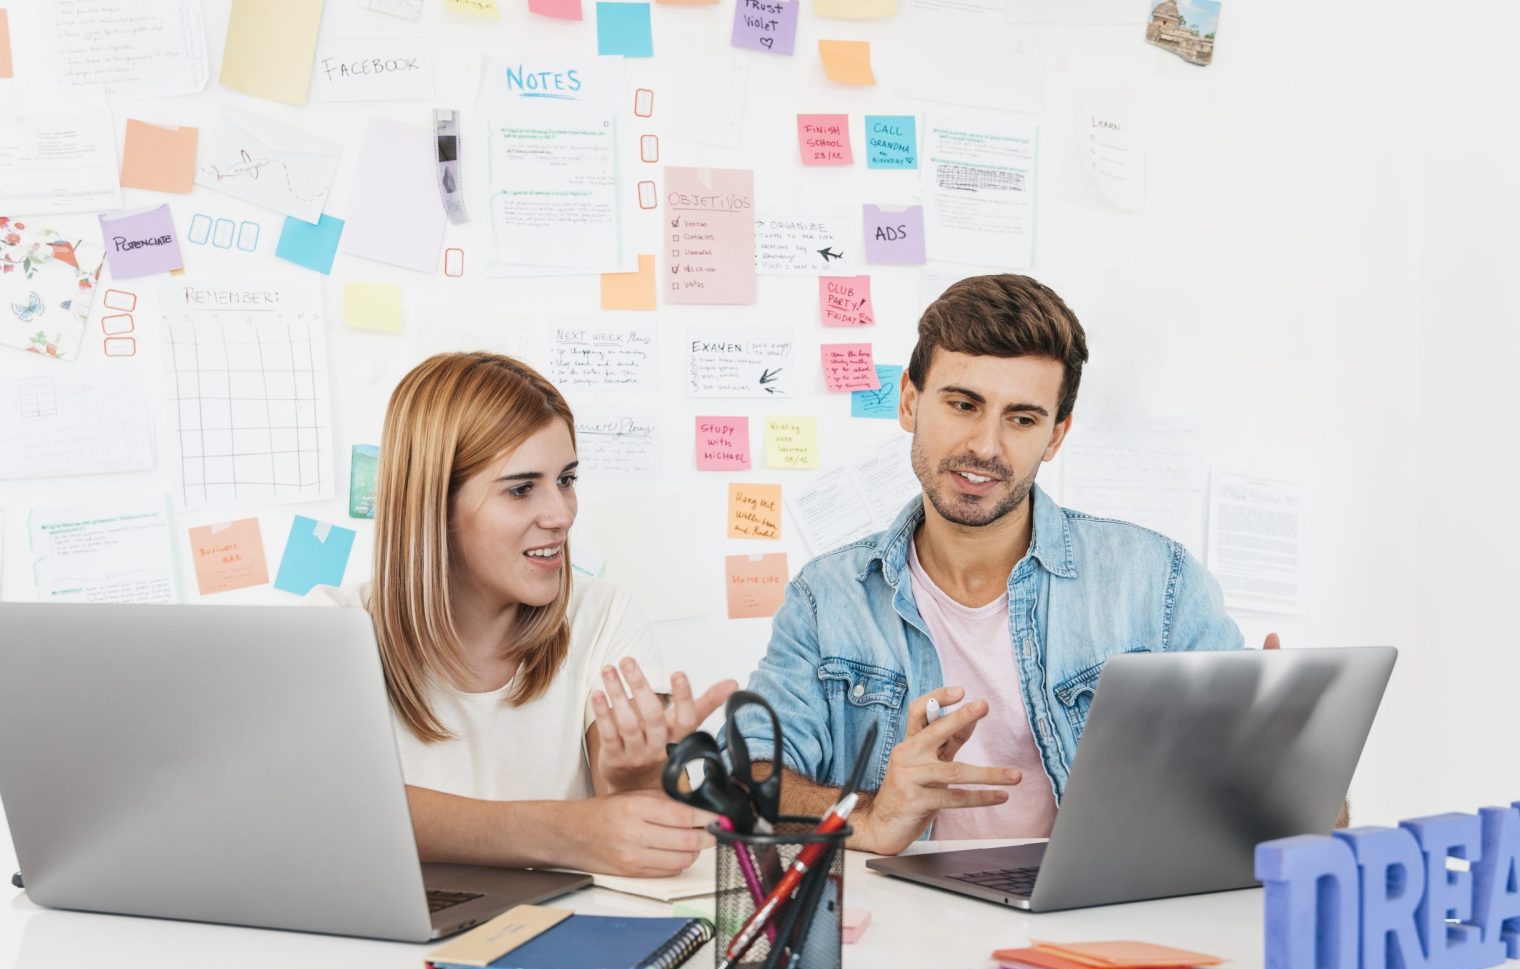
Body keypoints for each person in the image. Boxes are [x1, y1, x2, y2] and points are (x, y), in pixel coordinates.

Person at [734, 274, 1278, 855]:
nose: (986, 447)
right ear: (909, 401)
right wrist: (872, 815)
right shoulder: (828, 598)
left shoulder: (1157, 583)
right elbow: (745, 781)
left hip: (1095, 928)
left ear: (1055, 435)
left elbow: (1288, 815)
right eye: (963, 404)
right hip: (898, 936)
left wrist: (1283, 772)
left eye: (1021, 418)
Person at [312, 352, 735, 876]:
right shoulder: (334, 629)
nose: (561, 515)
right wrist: (564, 833)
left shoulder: (602, 616)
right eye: (521, 488)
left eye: (567, 479)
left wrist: (637, 781)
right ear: (433, 503)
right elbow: (325, 808)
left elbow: (653, 842)